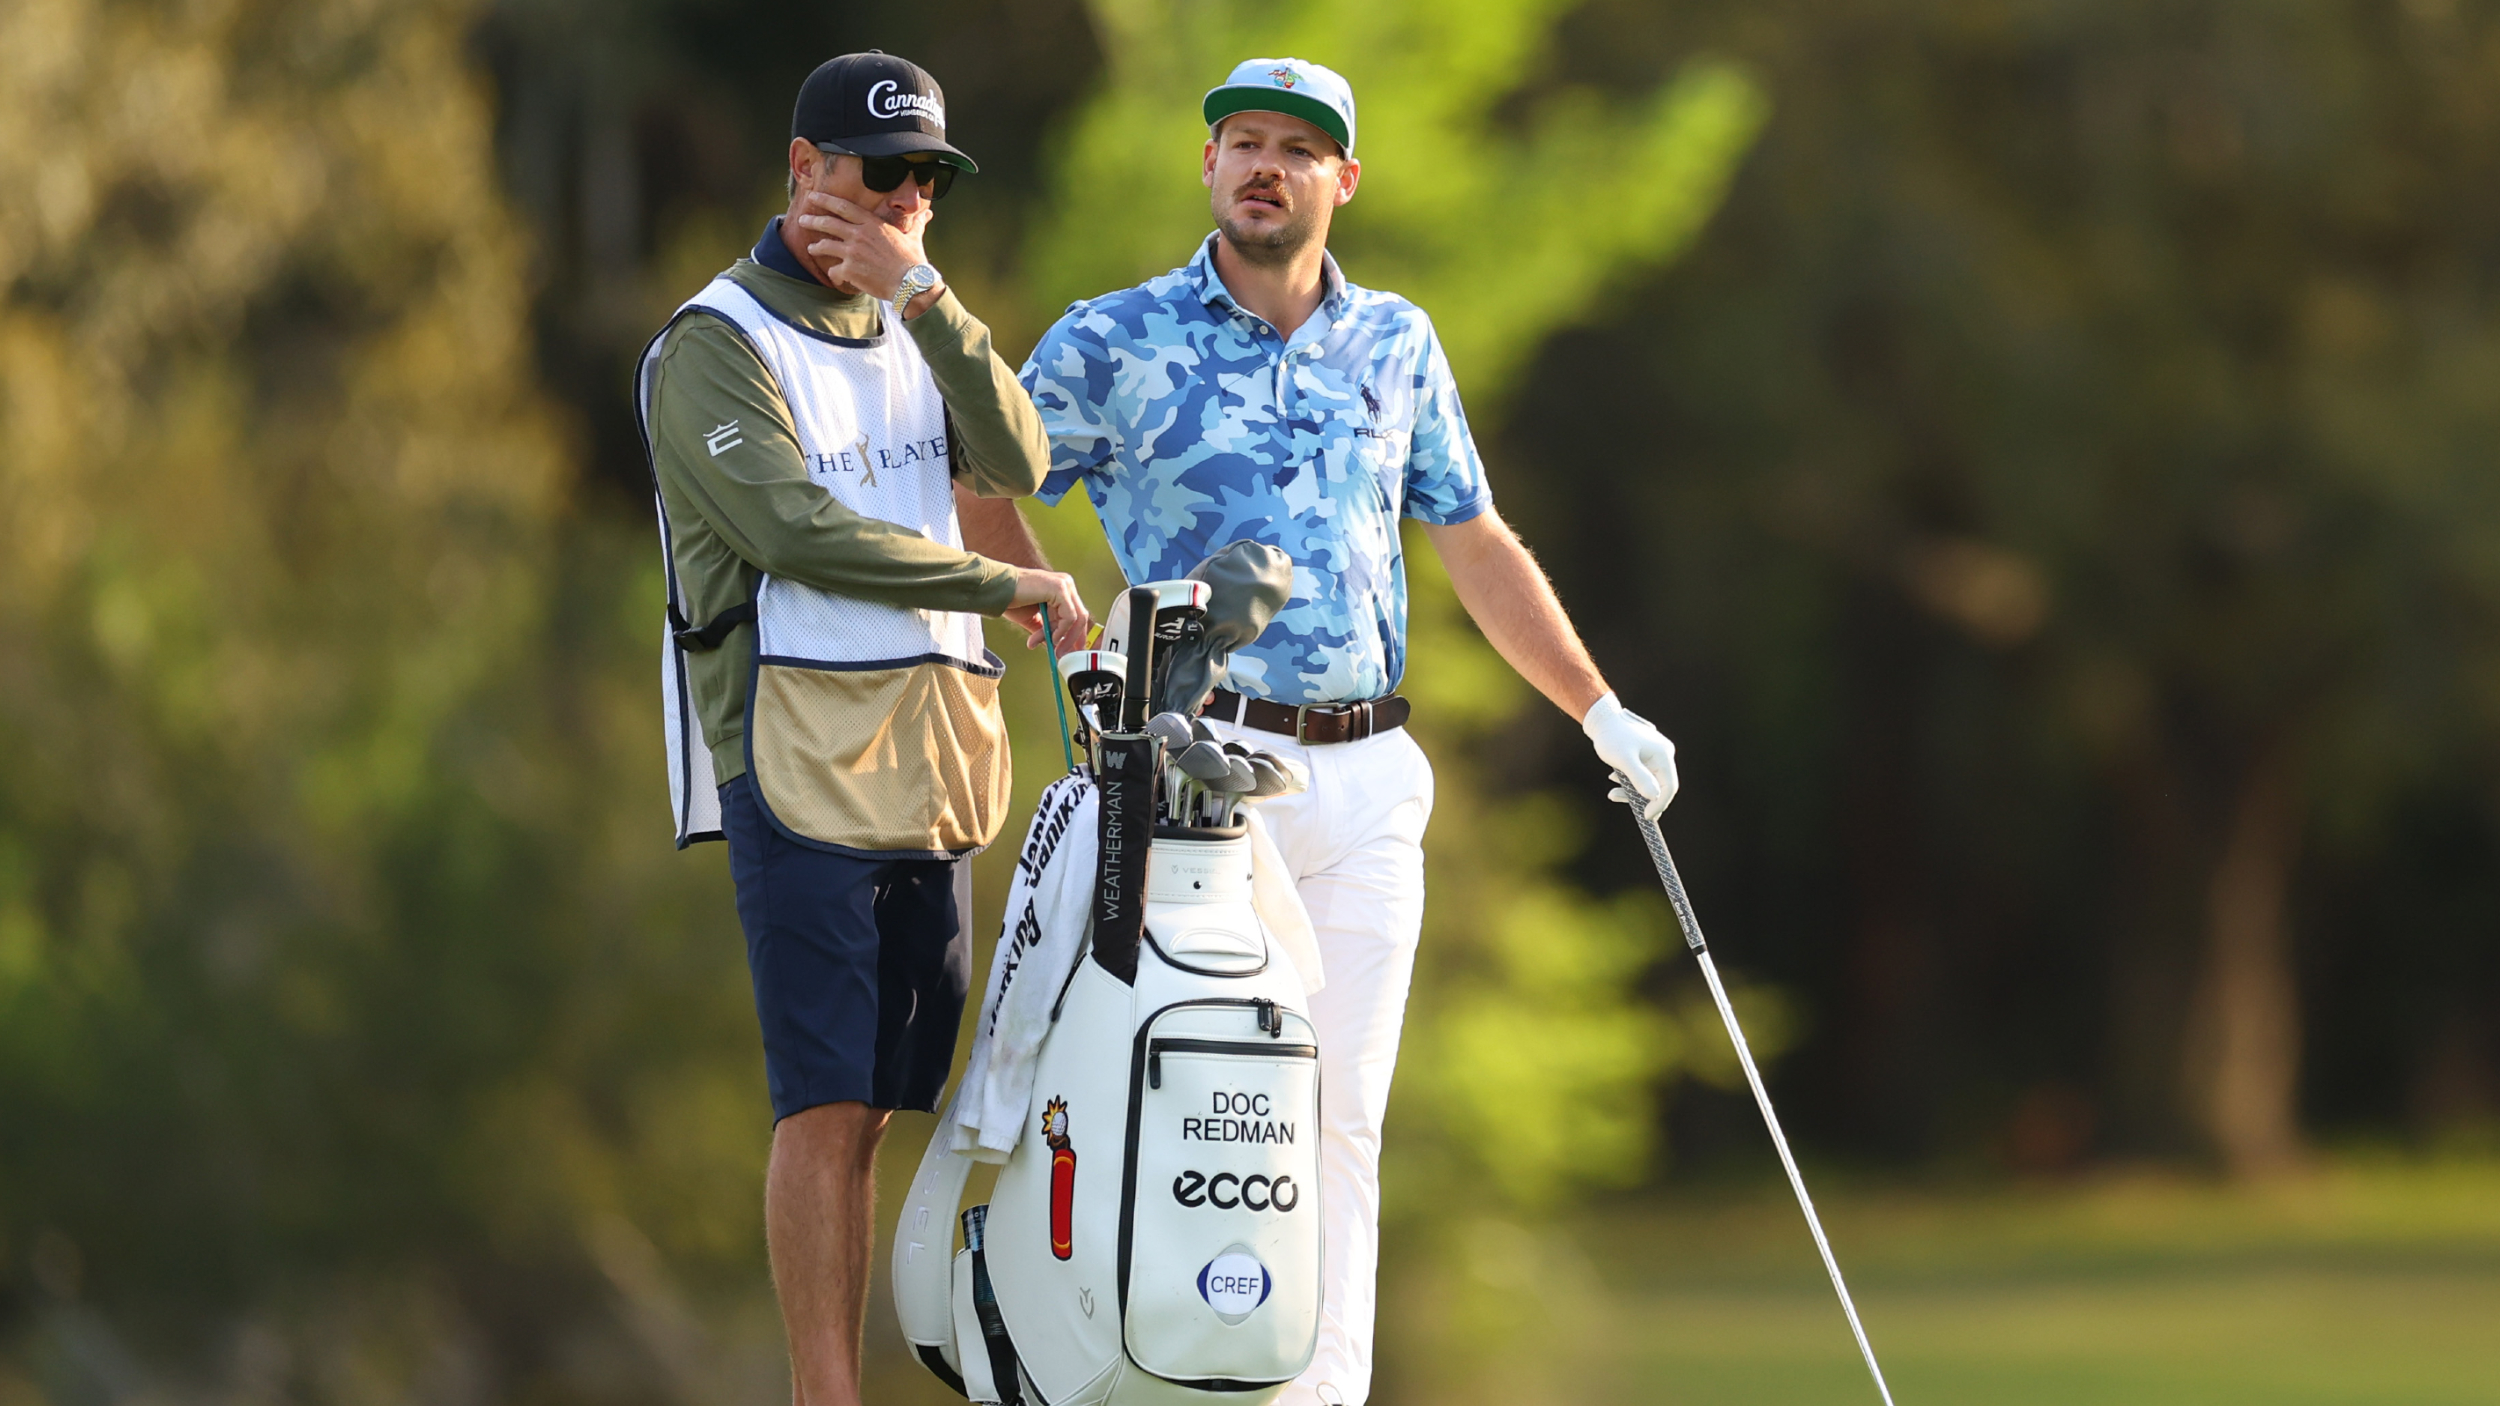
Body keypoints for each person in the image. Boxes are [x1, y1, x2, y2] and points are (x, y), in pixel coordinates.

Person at [1018, 57, 1679, 1406]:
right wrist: (1069, 642)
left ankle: (1318, 1397)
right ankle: (1143, 1380)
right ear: (1207, 169)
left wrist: (1598, 707)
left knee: (1338, 1118)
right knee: (1188, 1097)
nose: (1265, 165)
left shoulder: (1399, 344)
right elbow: (983, 479)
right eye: (1242, 143)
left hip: (1372, 773)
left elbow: (1474, 535)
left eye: (1296, 149)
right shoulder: (1113, 337)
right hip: (1197, 780)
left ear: (1343, 181)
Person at [636, 51, 1085, 1406]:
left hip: (931, 757)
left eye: (926, 181)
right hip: (796, 760)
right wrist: (1005, 583)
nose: (903, 202)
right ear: (803, 171)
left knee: (886, 1100)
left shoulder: (909, 312)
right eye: (878, 173)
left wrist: (927, 297)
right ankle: (822, 1393)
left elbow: (1018, 462)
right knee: (822, 1101)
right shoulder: (713, 343)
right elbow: (796, 534)